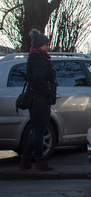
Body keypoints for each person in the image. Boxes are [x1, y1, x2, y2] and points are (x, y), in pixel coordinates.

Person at [19, 29, 57, 171]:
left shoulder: (37, 57)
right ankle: (40, 161)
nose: (49, 47)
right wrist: (48, 93)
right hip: (40, 99)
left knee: (37, 130)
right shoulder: (39, 58)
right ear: (41, 45)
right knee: (39, 130)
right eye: (47, 44)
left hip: (38, 98)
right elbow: (38, 79)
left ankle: (25, 160)